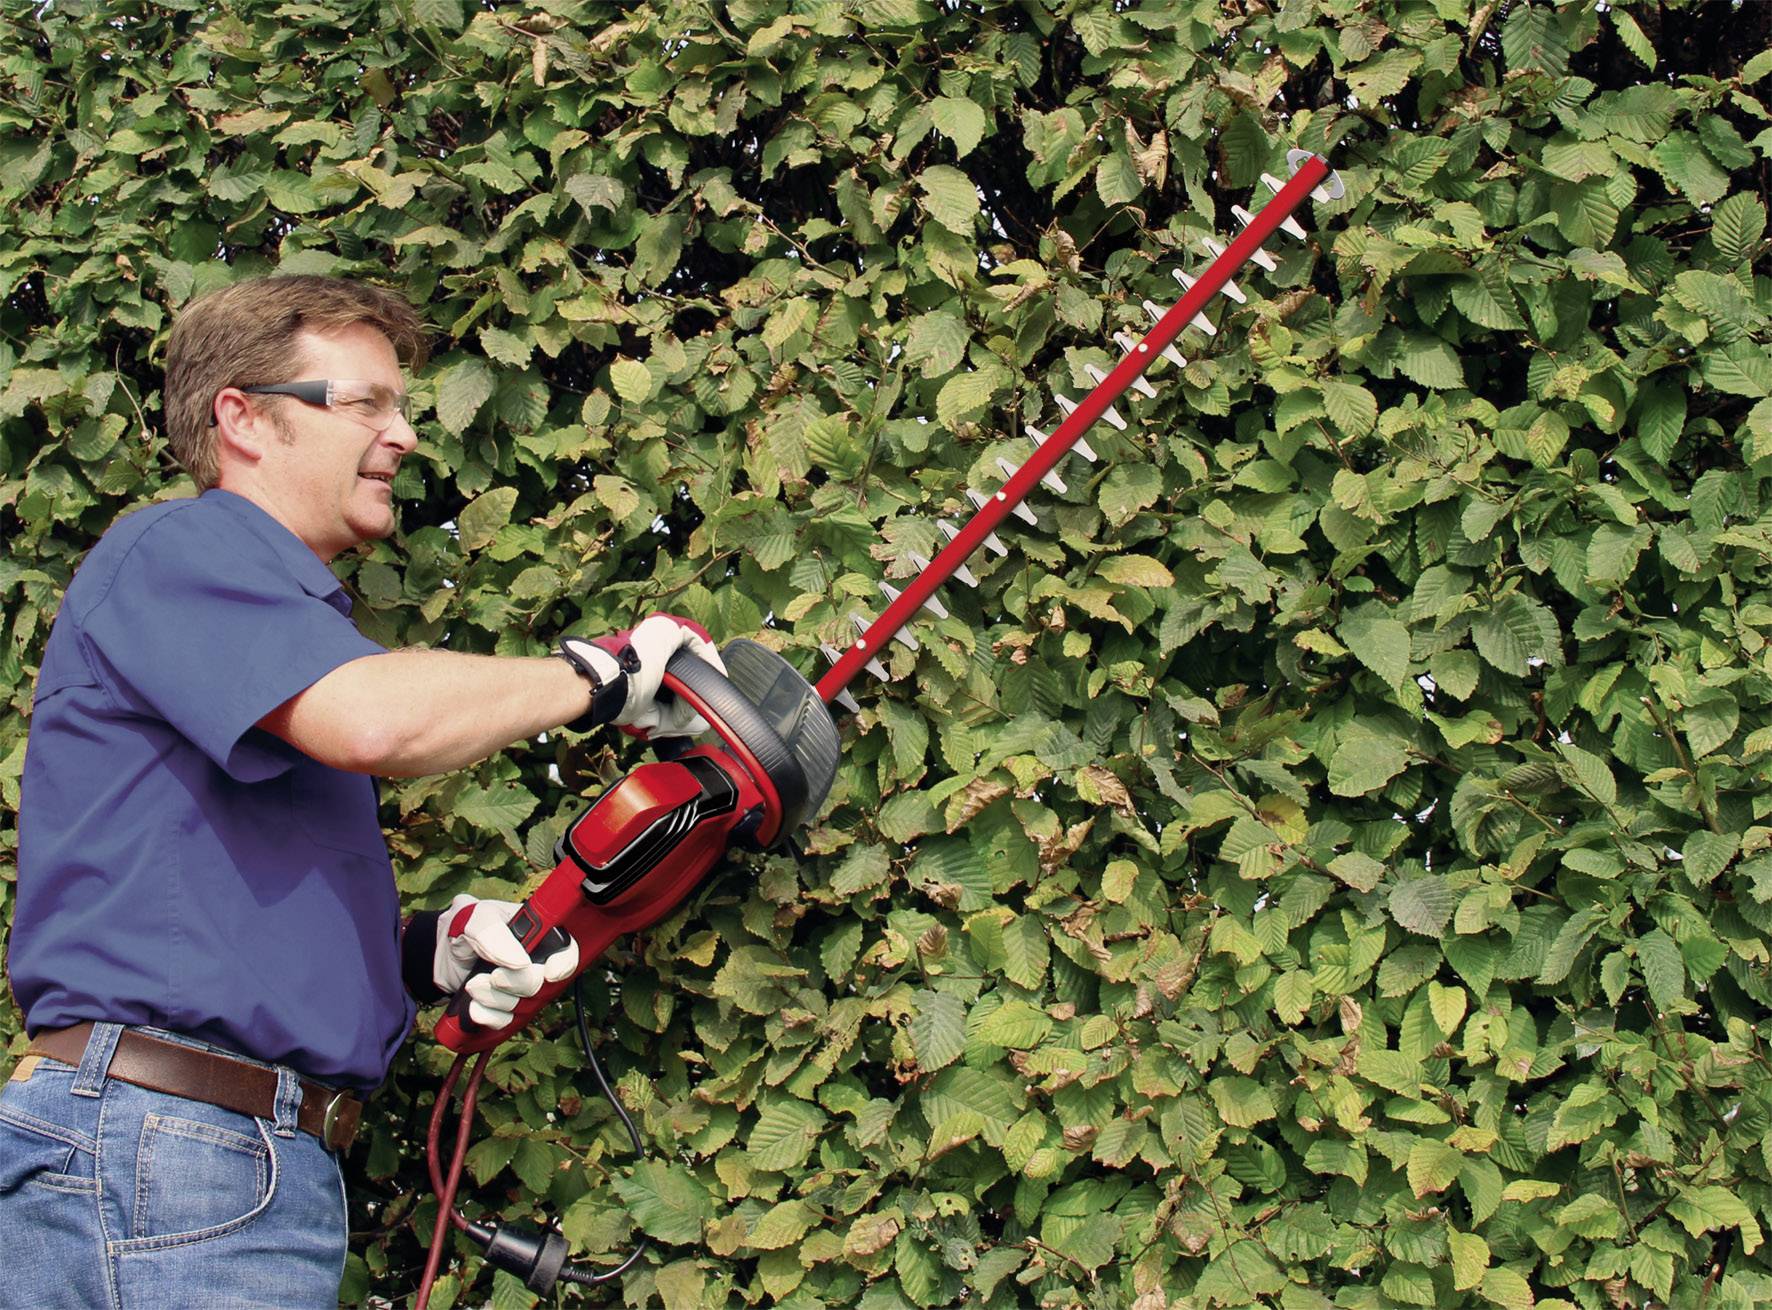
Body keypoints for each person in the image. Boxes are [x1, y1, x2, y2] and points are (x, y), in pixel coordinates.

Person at [0, 275, 722, 1309]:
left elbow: (209, 894)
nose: (406, 435)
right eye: (366, 403)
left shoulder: (266, 636)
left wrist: (425, 951)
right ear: (241, 417)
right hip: (173, 1150)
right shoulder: (179, 550)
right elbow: (377, 722)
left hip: (203, 1159)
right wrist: (598, 676)